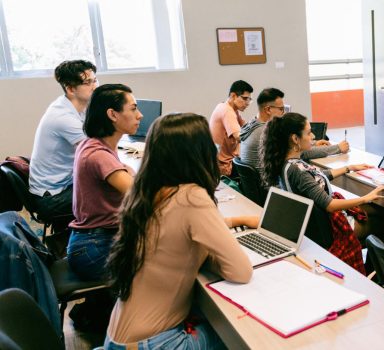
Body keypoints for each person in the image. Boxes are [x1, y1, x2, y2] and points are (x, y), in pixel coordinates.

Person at [105, 113, 256, 349]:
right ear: (199, 153)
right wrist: (210, 257)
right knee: (243, 335)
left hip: (120, 337)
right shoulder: (191, 196)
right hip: (153, 342)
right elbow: (240, 271)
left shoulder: (145, 192)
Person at [260, 112, 384, 272]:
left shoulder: (286, 164)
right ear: (295, 139)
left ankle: (373, 268)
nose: (312, 136)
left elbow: (314, 179)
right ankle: (372, 271)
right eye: (308, 132)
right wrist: (366, 198)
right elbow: (330, 205)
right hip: (330, 230)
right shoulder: (298, 171)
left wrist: (348, 168)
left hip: (313, 227)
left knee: (378, 211)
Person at [67, 84, 140, 281]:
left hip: (92, 242)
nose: (140, 115)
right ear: (112, 114)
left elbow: (130, 174)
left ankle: (96, 308)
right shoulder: (99, 154)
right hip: (95, 248)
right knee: (171, 261)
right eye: (133, 109)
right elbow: (141, 195)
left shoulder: (96, 144)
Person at [28, 60, 98, 230]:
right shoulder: (63, 117)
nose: (95, 86)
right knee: (112, 194)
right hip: (52, 199)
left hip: (63, 184)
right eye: (87, 82)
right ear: (70, 88)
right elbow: (96, 153)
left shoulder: (75, 107)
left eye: (95, 80)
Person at [239, 87, 348, 170]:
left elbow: (291, 147)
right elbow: (301, 152)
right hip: (270, 188)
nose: (284, 113)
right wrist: (338, 148)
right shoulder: (266, 132)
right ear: (268, 110)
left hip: (259, 187)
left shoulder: (252, 125)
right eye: (281, 109)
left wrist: (313, 143)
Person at [209, 80, 253, 177]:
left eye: (249, 99)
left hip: (220, 162)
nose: (247, 103)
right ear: (233, 96)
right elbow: (240, 136)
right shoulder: (227, 111)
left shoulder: (227, 107)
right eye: (245, 98)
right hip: (224, 167)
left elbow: (246, 126)